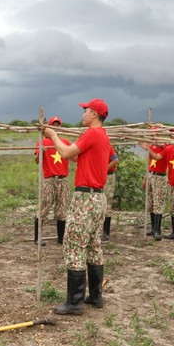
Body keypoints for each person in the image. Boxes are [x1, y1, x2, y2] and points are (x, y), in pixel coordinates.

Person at [44, 98, 111, 315]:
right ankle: (96, 296)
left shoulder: (92, 133)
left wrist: (53, 136)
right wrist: (63, 143)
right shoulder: (103, 136)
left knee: (74, 244)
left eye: (85, 110)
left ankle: (74, 302)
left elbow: (65, 154)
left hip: (85, 198)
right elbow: (75, 156)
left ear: (94, 114)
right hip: (98, 198)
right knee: (93, 245)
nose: (83, 114)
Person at [34, 116, 71, 245]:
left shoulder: (65, 142)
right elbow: (36, 160)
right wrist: (40, 152)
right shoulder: (43, 142)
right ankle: (37, 238)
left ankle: (61, 238)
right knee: (43, 208)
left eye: (58, 124)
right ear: (48, 127)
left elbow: (74, 156)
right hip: (49, 179)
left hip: (63, 180)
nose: (56, 126)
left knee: (62, 210)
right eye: (53, 124)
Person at [140, 125, 168, 240]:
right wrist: (145, 177)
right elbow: (149, 162)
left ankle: (157, 231)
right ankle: (153, 229)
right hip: (151, 174)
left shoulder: (165, 145)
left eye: (154, 134)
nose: (152, 136)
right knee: (151, 203)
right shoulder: (152, 145)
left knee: (158, 203)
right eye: (151, 134)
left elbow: (157, 157)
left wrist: (148, 149)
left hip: (159, 177)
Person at [100, 149, 119, 241]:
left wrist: (103, 170)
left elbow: (115, 160)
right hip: (99, 176)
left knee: (107, 202)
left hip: (108, 176)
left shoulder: (108, 147)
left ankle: (106, 232)